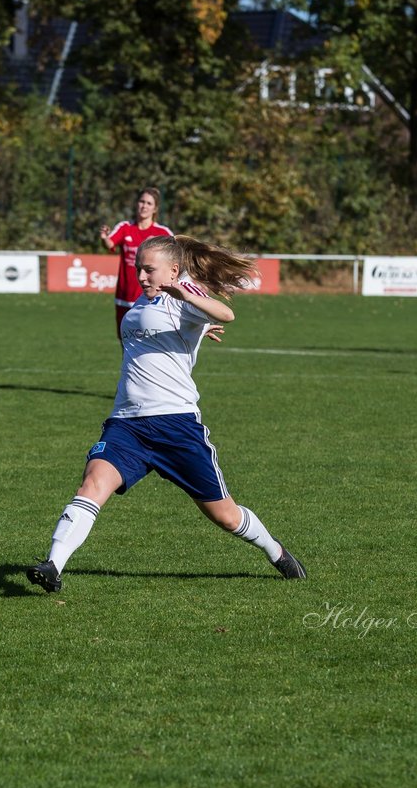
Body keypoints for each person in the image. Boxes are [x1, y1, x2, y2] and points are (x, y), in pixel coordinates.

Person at [26, 234, 306, 594]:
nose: (141, 276)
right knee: (92, 483)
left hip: (176, 426)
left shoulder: (184, 299)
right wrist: (201, 329)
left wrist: (190, 301)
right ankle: (53, 566)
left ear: (173, 271)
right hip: (126, 425)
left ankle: (276, 551)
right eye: (138, 269)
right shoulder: (133, 313)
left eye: (149, 270)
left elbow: (227, 313)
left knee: (225, 516)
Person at [100, 187, 175, 338]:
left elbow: (176, 257)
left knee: (149, 341)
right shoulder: (125, 227)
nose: (144, 206)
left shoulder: (163, 233)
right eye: (142, 201)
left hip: (152, 298)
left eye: (149, 203)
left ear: (155, 209)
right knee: (125, 341)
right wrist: (104, 237)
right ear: (136, 203)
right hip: (124, 296)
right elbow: (110, 244)